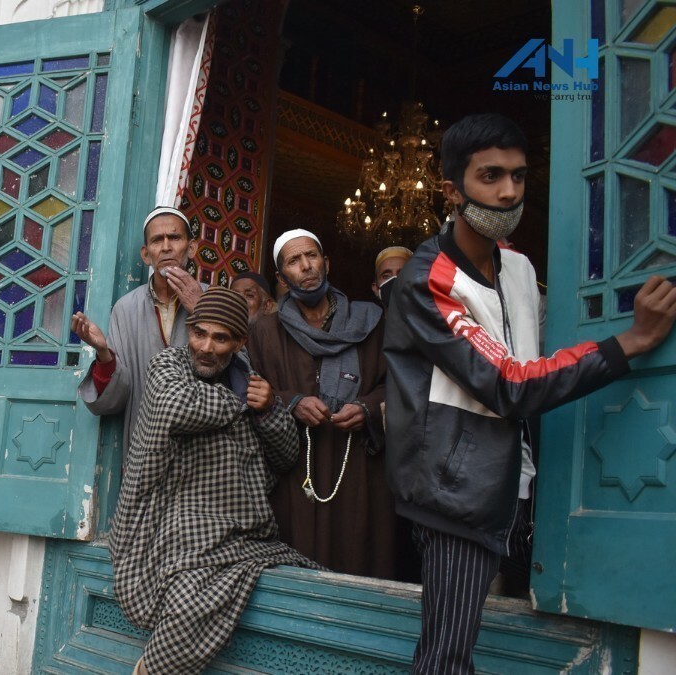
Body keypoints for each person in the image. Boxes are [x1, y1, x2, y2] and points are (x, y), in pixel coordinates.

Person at [383, 113, 676, 674]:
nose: (509, 191)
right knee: (446, 659)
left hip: (522, 483)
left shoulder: (517, 267)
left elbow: (535, 360)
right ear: (452, 190)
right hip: (456, 494)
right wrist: (630, 341)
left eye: (518, 176)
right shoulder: (429, 280)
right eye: (490, 176)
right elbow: (510, 384)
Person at [109, 287, 320, 674]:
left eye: (220, 338)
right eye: (199, 333)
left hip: (239, 535)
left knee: (312, 583)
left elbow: (287, 456)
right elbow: (177, 408)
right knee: (190, 599)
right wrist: (240, 401)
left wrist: (269, 409)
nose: (205, 347)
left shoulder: (251, 383)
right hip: (164, 526)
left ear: (239, 342)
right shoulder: (168, 365)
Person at [248, 229, 396, 578]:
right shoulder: (266, 332)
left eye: (312, 256)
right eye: (294, 261)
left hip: (358, 464)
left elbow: (398, 385)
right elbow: (250, 389)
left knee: (358, 557)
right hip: (296, 466)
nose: (306, 266)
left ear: (326, 263)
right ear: (282, 277)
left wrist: (367, 407)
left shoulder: (372, 322)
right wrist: (291, 402)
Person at [72, 206, 205, 456]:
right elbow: (120, 395)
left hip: (202, 448)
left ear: (191, 248)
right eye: (157, 240)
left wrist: (202, 310)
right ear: (146, 254)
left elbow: (233, 372)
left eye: (174, 238)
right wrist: (103, 354)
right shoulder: (126, 308)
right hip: (146, 448)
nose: (166, 247)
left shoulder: (214, 299)